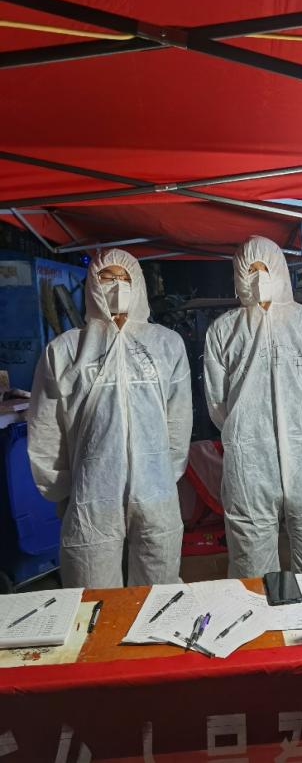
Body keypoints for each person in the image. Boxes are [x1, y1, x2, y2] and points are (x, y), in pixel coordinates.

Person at [28, 249, 192, 588]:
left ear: (138, 284)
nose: (116, 286)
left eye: (124, 278)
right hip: (92, 491)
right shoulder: (65, 350)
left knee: (158, 590)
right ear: (93, 286)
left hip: (155, 489)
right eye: (106, 278)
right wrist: (61, 489)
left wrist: (165, 472)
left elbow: (178, 418)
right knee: (93, 596)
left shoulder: (166, 344)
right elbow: (46, 427)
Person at [203, 235, 302, 578]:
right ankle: (259, 615)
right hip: (249, 463)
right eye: (249, 271)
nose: (257, 277)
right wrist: (246, 432)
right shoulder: (224, 330)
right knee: (252, 566)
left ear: (279, 270)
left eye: (264, 269)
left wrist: (301, 427)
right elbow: (217, 402)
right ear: (238, 277)